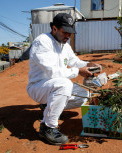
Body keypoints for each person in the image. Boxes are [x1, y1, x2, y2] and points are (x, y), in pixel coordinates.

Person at [27, 13, 102, 145]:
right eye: (65, 32)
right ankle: (47, 127)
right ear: (54, 28)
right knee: (64, 85)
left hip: (54, 85)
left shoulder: (64, 44)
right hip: (38, 86)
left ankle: (47, 106)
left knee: (86, 95)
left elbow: (75, 62)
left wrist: (89, 65)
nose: (68, 36)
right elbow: (53, 72)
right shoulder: (42, 42)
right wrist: (78, 71)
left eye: (70, 33)